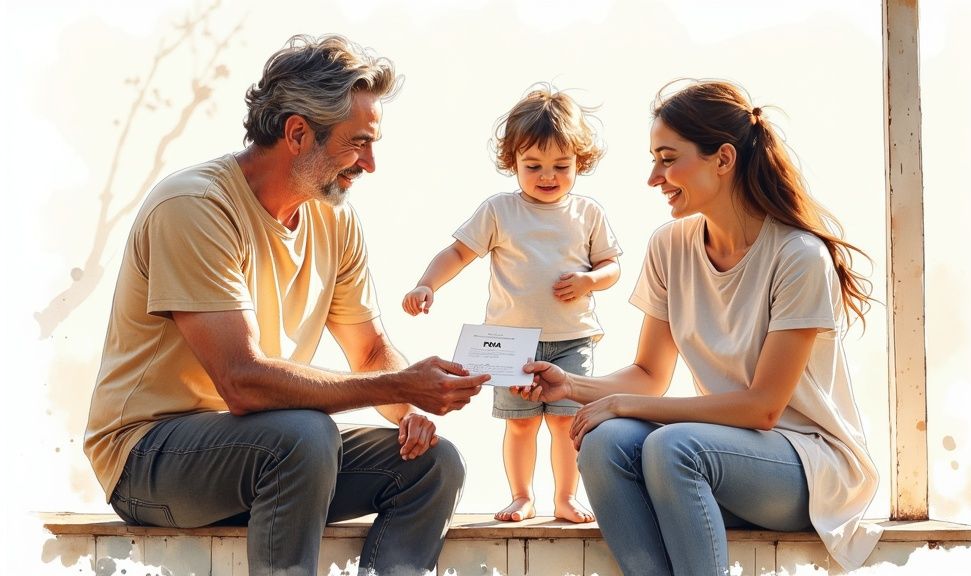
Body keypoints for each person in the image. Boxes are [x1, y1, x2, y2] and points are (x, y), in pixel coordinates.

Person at [83, 34, 488, 576]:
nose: (370, 164)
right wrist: (400, 385)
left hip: (271, 451)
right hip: (149, 461)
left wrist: (410, 410)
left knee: (434, 465)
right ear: (297, 133)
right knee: (303, 434)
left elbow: (370, 353)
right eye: (358, 143)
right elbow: (242, 381)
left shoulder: (334, 217)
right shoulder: (195, 206)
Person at [515, 80, 881, 574]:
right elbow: (649, 374)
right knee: (605, 443)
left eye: (668, 159)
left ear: (723, 159)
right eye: (654, 160)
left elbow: (763, 407)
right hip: (714, 458)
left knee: (673, 445)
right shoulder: (669, 246)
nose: (654, 178)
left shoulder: (798, 256)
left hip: (808, 469)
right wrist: (570, 386)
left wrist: (622, 405)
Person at [402, 85, 621, 524]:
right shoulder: (500, 210)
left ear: (579, 162)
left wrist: (588, 281)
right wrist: (427, 284)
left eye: (561, 166)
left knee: (566, 422)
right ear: (513, 161)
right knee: (520, 423)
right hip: (511, 344)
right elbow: (458, 253)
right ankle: (521, 496)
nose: (547, 176)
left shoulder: (587, 213)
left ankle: (565, 497)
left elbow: (611, 266)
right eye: (533, 165)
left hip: (571, 339)